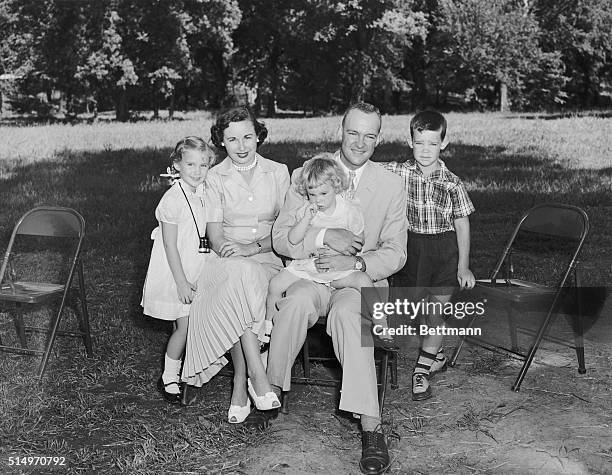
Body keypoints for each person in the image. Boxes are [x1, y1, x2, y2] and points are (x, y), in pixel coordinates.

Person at [248, 102, 408, 475]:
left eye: (370, 135)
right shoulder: (310, 174)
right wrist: (323, 234)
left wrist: (355, 263)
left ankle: (371, 424)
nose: (360, 142)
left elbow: (396, 252)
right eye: (353, 132)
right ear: (341, 130)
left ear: (379, 139)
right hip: (309, 273)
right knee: (295, 302)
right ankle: (271, 392)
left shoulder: (390, 184)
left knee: (348, 314)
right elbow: (283, 240)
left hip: (355, 281)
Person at [191, 105, 289, 421]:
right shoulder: (215, 177)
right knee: (239, 276)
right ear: (221, 141)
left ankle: (240, 380)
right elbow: (215, 234)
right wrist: (231, 250)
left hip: (269, 257)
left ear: (258, 136)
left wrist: (251, 248)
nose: (242, 146)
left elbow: (287, 229)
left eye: (247, 137)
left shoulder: (278, 172)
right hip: (226, 260)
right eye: (233, 139)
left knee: (243, 280)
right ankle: (255, 377)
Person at [383, 110, 475, 402]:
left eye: (432, 144)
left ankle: (421, 371)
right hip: (411, 248)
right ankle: (435, 354)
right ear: (410, 141)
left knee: (435, 311)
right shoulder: (398, 171)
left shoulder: (452, 183)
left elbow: (462, 225)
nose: (425, 150)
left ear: (443, 144)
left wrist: (464, 266)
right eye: (420, 143)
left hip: (444, 250)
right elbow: (363, 168)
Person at [264, 153, 390, 341]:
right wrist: (306, 219)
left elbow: (358, 240)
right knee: (276, 284)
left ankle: (382, 325)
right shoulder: (306, 210)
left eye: (323, 194)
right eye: (312, 194)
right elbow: (293, 239)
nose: (318, 200)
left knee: (363, 281)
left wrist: (341, 252)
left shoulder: (348, 210)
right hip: (311, 266)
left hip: (338, 266)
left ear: (336, 187)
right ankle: (268, 327)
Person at [141, 136, 216, 404]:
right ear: (177, 166)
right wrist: (182, 282)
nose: (197, 171)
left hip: (198, 264)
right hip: (177, 271)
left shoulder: (204, 192)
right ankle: (169, 377)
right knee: (184, 327)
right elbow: (169, 245)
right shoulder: (172, 200)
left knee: (194, 321)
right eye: (191, 165)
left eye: (204, 165)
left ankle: (197, 363)